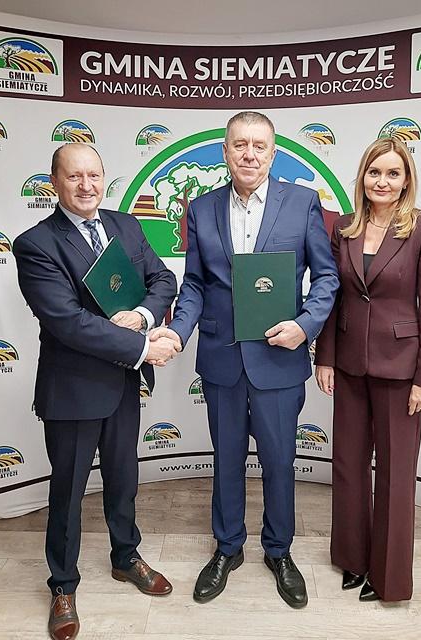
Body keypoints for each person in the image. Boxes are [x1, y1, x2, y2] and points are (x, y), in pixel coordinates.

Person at [151, 111, 339, 608]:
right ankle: (228, 548)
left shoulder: (302, 203)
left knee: (279, 462)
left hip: (279, 359)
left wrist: (305, 325)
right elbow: (195, 284)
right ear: (226, 151)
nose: (249, 154)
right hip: (222, 359)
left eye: (259, 146)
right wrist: (178, 331)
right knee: (227, 459)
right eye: (240, 145)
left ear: (273, 154)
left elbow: (326, 277)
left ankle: (279, 551)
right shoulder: (202, 208)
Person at [13, 143, 178, 640]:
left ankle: (126, 557)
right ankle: (63, 585)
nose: (86, 186)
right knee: (67, 492)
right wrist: (142, 346)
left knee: (124, 479)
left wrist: (143, 316)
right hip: (74, 389)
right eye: (74, 176)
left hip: (123, 385)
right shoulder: (36, 244)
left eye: (94, 175)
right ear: (54, 182)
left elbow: (162, 279)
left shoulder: (126, 225)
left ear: (104, 178)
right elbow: (67, 321)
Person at [315, 137, 421, 602]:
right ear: (363, 177)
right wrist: (325, 356)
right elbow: (333, 297)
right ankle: (352, 559)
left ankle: (389, 578)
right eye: (375, 172)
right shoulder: (345, 227)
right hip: (349, 364)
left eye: (393, 173)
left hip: (402, 370)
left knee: (395, 474)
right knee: (349, 466)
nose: (383, 181)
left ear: (407, 179)